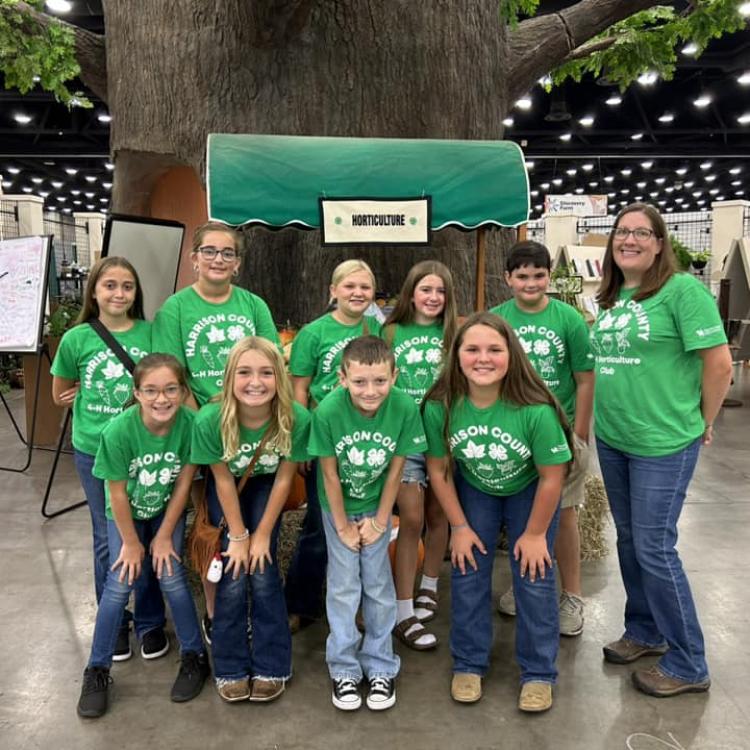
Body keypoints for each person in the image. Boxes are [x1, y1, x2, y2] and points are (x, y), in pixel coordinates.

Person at [591, 203, 732, 697]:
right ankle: (645, 630)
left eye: (641, 233)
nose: (629, 239)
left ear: (658, 243)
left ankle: (689, 660)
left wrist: (703, 421)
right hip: (614, 438)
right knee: (629, 540)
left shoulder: (683, 292)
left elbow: (719, 365)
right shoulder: (611, 295)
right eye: (622, 231)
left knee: (654, 546)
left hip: (661, 443)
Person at [423, 312, 572, 712]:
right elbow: (438, 471)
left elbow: (552, 478)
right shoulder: (442, 406)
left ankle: (539, 672)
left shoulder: (535, 410)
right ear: (455, 356)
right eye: (472, 349)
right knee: (469, 569)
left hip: (530, 490)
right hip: (476, 487)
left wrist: (537, 534)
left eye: (494, 349)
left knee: (534, 574)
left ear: (512, 355)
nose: (482, 358)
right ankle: (469, 663)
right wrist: (458, 525)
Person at [153, 221, 280, 640]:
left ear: (238, 263)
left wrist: (242, 410)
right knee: (214, 527)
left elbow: (271, 364)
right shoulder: (176, 309)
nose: (218, 259)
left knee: (255, 530)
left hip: (251, 429)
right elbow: (173, 376)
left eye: (227, 253)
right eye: (209, 251)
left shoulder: (254, 305)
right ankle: (214, 612)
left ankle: (253, 607)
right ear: (194, 259)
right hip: (204, 430)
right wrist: (209, 420)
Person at [76, 354, 209, 718]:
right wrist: (132, 543)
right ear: (136, 393)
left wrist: (165, 535)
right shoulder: (118, 431)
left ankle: (195, 655)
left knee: (172, 578)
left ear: (183, 392)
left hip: (167, 511)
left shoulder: (191, 424)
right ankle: (97, 669)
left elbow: (184, 483)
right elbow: (115, 493)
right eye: (150, 390)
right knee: (120, 582)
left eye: (170, 389)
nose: (161, 399)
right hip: (126, 517)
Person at [52, 256, 166, 662]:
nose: (119, 293)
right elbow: (59, 392)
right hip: (94, 449)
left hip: (146, 448)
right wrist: (78, 388)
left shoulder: (152, 334)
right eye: (110, 285)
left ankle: (151, 622)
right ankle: (115, 620)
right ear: (95, 291)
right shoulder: (76, 339)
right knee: (107, 538)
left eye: (127, 286)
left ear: (136, 294)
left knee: (148, 534)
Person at [309, 336, 427, 711]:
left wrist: (380, 521)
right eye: (359, 382)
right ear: (342, 378)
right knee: (344, 586)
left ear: (394, 375)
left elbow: (396, 470)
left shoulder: (405, 407)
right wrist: (343, 526)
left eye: (380, 381)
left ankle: (380, 663)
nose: (370, 391)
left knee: (378, 584)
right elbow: (328, 476)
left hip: (376, 506)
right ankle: (344, 667)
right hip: (339, 507)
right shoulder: (328, 411)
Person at [190, 336, 310, 703]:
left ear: (280, 378)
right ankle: (229, 665)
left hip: (269, 483)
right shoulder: (210, 419)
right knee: (233, 569)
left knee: (263, 567)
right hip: (229, 486)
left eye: (266, 372)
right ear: (229, 378)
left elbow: (287, 478)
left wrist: (262, 536)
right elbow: (222, 478)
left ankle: (272, 663)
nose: (255, 382)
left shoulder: (295, 417)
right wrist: (239, 536)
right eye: (244, 372)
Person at [490, 241, 594, 636]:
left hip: (559, 431)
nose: (530, 283)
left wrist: (579, 433)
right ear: (508, 279)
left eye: (538, 275)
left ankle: (571, 595)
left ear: (549, 276)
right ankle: (526, 585)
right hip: (513, 432)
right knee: (523, 513)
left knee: (564, 515)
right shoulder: (498, 319)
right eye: (522, 276)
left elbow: (585, 379)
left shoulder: (568, 319)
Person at [285, 260, 382, 632]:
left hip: (365, 436)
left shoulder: (376, 328)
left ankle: (358, 604)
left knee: (363, 525)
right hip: (326, 436)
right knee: (318, 526)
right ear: (333, 290)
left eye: (365, 287)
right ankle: (300, 602)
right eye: (349, 286)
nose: (357, 293)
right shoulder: (313, 333)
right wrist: (305, 441)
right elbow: (298, 390)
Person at [384, 261, 456, 650]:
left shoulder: (455, 332)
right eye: (425, 290)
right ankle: (403, 605)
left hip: (445, 433)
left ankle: (430, 584)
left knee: (437, 513)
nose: (433, 298)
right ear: (410, 293)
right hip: (406, 435)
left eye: (440, 291)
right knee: (411, 517)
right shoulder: (392, 331)